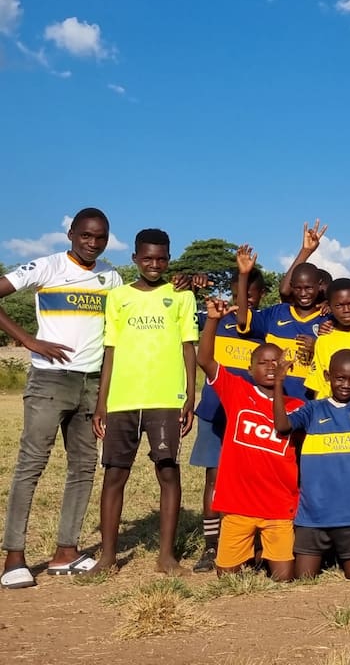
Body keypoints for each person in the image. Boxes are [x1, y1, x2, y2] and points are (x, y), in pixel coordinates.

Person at [1, 208, 122, 588]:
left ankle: (65, 551)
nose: (93, 243)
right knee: (31, 465)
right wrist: (28, 340)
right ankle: (14, 557)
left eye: (100, 237)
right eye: (86, 235)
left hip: (90, 383)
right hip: (50, 380)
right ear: (71, 234)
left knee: (83, 467)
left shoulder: (111, 277)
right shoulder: (47, 267)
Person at [94, 229, 198, 574]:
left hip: (166, 397)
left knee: (168, 472)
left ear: (169, 259)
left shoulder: (181, 296)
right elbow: (110, 350)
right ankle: (108, 556)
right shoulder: (118, 297)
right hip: (123, 399)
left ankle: (166, 556)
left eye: (162, 258)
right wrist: (102, 401)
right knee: (114, 474)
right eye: (148, 258)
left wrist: (189, 395)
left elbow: (188, 347)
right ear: (135, 259)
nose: (155, 265)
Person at [197, 297, 303, 580]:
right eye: (263, 362)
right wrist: (212, 321)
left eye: (276, 361)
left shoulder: (297, 406)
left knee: (283, 578)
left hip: (278, 507)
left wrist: (281, 385)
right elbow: (205, 360)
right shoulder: (237, 391)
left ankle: (262, 553)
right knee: (226, 576)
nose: (270, 366)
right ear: (250, 369)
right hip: (238, 505)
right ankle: (248, 552)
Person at [273, 349, 350, 580]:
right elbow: (282, 426)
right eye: (340, 378)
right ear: (328, 376)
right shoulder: (313, 409)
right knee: (304, 578)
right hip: (313, 517)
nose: (346, 385)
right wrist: (280, 382)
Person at [189, 261, 266, 573]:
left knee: (254, 478)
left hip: (253, 415)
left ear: (262, 295)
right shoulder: (214, 319)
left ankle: (253, 544)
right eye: (239, 293)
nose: (244, 299)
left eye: (251, 294)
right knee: (215, 477)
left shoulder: (264, 325)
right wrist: (190, 286)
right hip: (215, 411)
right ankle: (212, 545)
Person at [235, 244, 326, 398]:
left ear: (319, 286)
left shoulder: (328, 319)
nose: (303, 293)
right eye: (298, 288)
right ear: (291, 287)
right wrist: (243, 275)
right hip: (275, 405)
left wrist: (318, 348)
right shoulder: (276, 313)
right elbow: (243, 320)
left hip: (311, 408)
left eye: (308, 288)